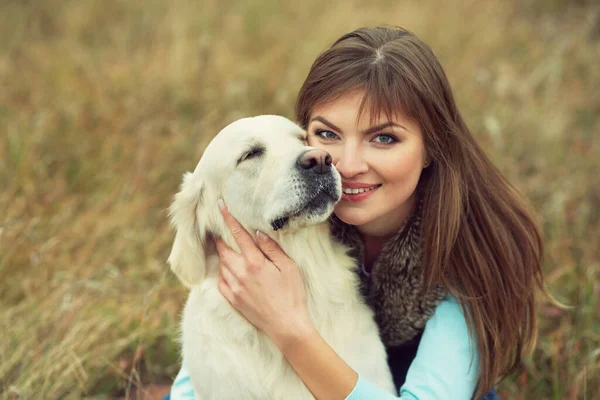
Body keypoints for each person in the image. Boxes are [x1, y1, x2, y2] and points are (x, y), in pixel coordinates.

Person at [167, 26, 548, 400]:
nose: (346, 166)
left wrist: (289, 327)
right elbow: (205, 358)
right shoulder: (296, 207)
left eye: (384, 138)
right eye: (327, 134)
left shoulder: (468, 251)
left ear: (432, 147)